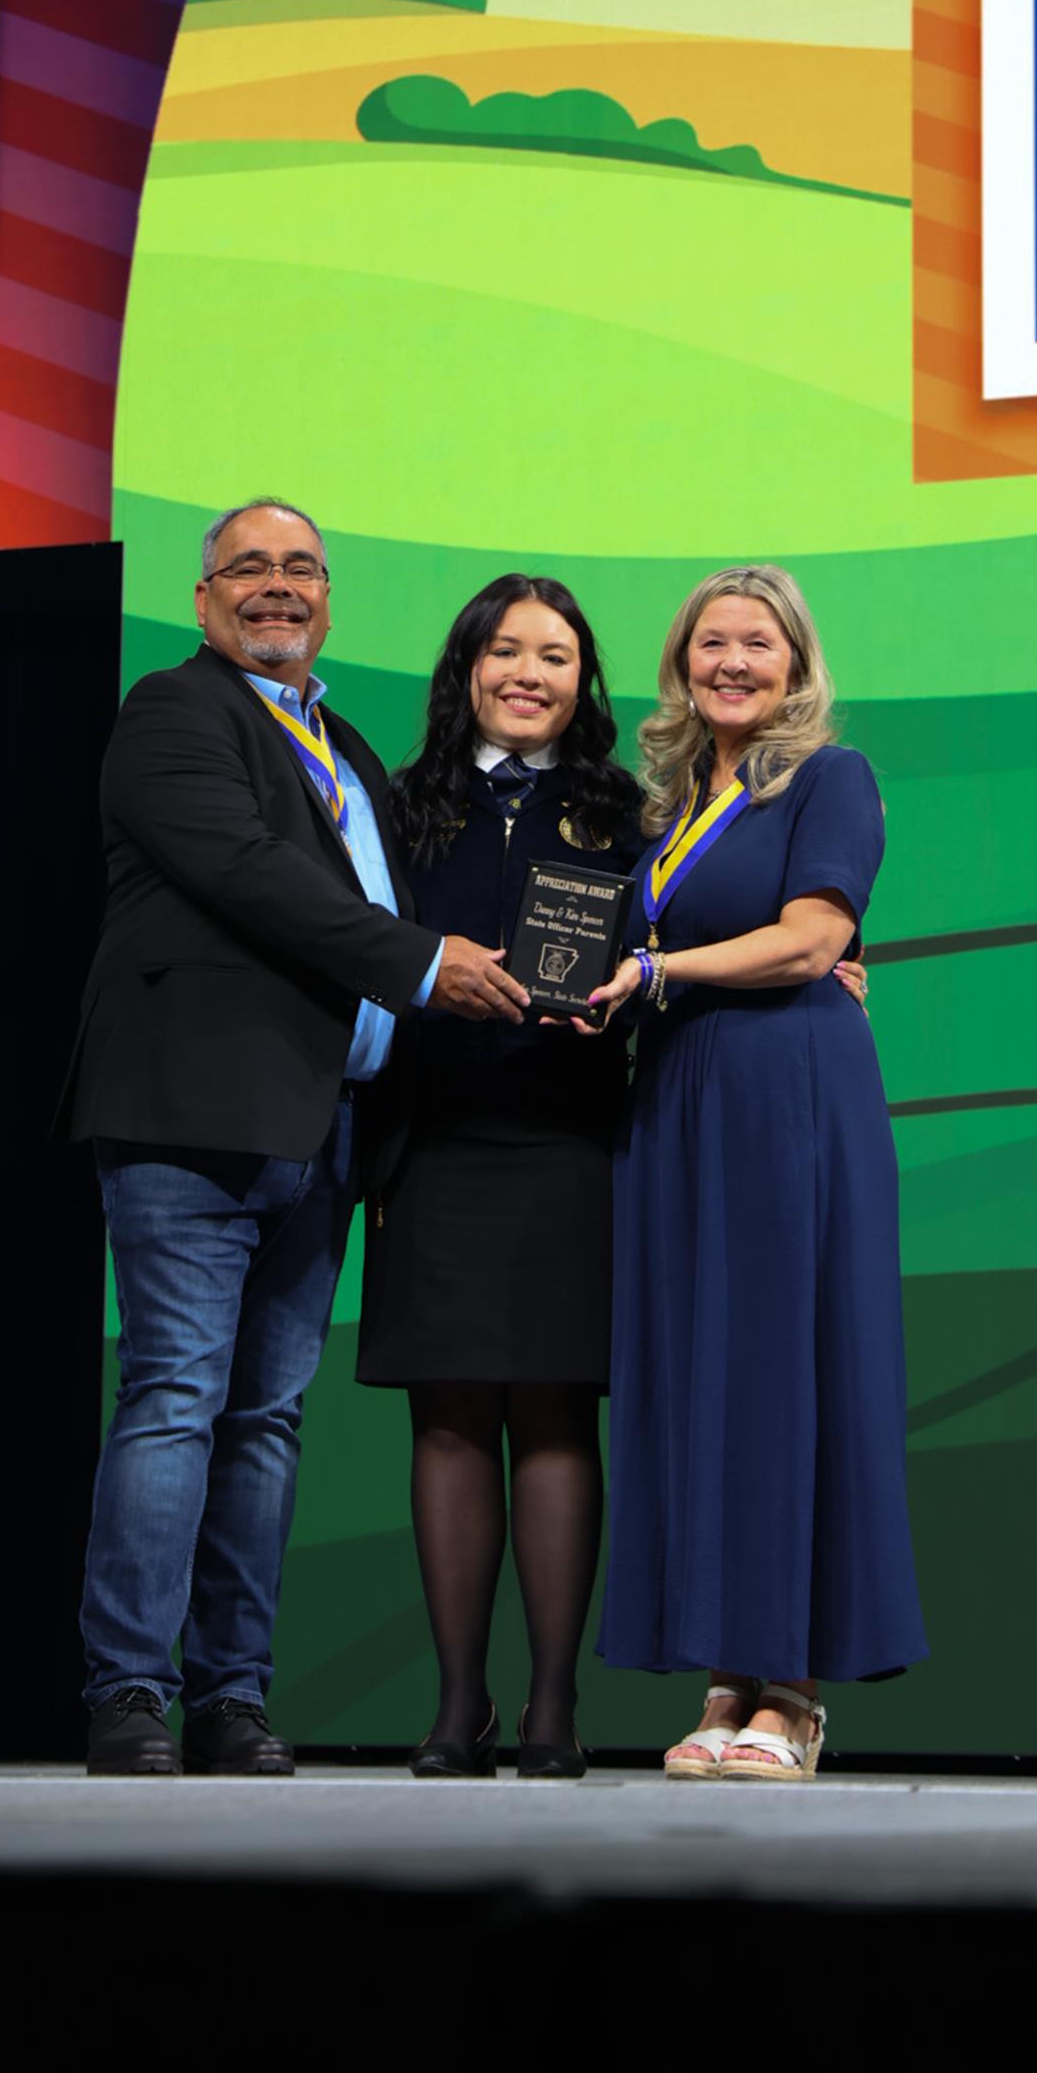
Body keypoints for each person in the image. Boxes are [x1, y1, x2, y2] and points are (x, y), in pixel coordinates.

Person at [65, 500, 527, 1777]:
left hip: (325, 1126)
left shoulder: (344, 742)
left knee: (266, 1420)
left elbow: (414, 891)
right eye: (250, 568)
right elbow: (250, 875)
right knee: (175, 1396)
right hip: (194, 1118)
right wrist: (423, 963)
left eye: (302, 569)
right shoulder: (174, 710)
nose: (278, 587)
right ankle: (130, 1692)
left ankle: (232, 1698)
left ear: (327, 598)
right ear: (204, 598)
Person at [590, 564, 925, 1778]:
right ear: (681, 664)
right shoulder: (673, 805)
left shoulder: (830, 777)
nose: (732, 662)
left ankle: (792, 1690)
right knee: (706, 1378)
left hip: (791, 1092)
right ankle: (727, 1676)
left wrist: (663, 972)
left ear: (796, 664)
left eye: (758, 643)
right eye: (710, 642)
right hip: (682, 1094)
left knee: (788, 1371)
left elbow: (813, 938)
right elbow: (641, 948)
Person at [357, 576, 645, 1779]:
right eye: (507, 650)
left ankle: (553, 1706)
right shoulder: (398, 804)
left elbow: (682, 943)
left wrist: (628, 994)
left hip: (572, 1142)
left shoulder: (628, 809)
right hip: (434, 1137)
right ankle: (458, 1703)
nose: (529, 673)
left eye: (556, 655)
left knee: (558, 1413)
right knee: (449, 1415)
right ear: (466, 666)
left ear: (584, 680)